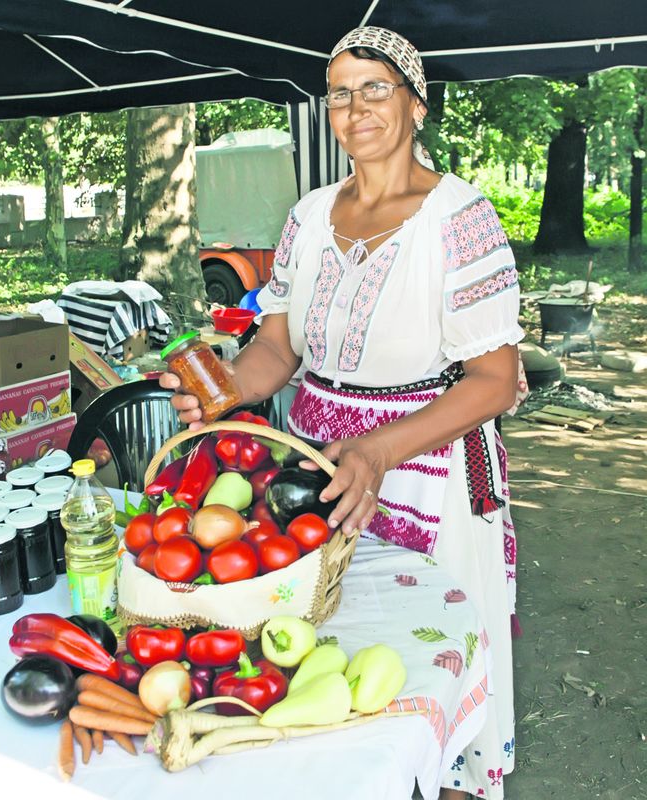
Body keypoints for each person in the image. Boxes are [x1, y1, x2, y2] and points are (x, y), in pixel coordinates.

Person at [162, 25, 523, 800]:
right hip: (318, 471)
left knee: (424, 663)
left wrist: (378, 450)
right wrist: (224, 388)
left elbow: (495, 381)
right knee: (330, 658)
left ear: (416, 104)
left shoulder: (459, 217)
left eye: (375, 89)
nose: (355, 109)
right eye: (339, 94)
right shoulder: (309, 215)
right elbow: (276, 349)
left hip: (426, 466)